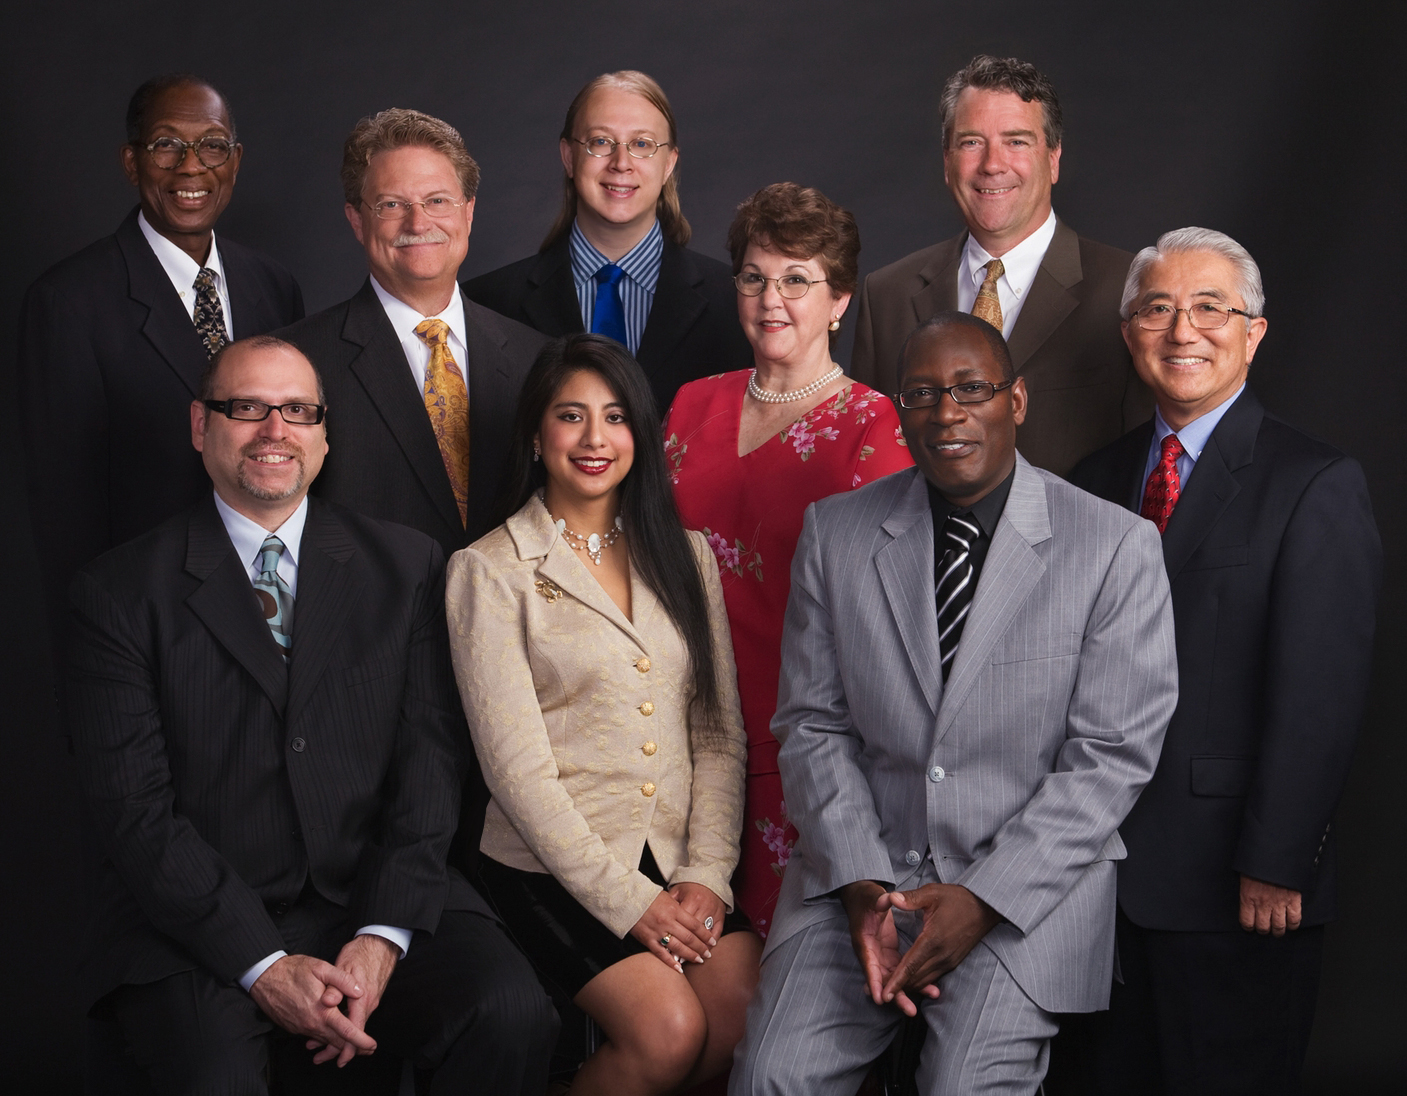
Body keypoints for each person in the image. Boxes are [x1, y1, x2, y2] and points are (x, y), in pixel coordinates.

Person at [66, 335, 557, 1094]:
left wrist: (380, 935)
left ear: (325, 435)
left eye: (297, 410)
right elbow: (136, 814)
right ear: (201, 426)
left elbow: (431, 766)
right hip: (200, 924)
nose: (274, 431)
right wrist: (262, 963)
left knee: (510, 1009)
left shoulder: (407, 565)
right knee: (213, 1076)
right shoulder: (119, 592)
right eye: (247, 408)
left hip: (368, 896)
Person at [731, 313, 1178, 1095]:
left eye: (971, 389)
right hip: (860, 880)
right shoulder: (836, 534)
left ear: (1017, 401)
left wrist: (983, 899)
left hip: (1020, 895)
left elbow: (1109, 759)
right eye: (922, 395)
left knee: (963, 1088)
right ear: (899, 411)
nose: (947, 413)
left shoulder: (1112, 546)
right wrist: (864, 883)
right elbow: (810, 725)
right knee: (772, 1077)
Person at [1062, 228, 1381, 1094]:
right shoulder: (1092, 480)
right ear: (1128, 333)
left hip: (1236, 883)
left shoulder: (1312, 482)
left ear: (1254, 332)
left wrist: (1278, 858)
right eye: (1157, 309)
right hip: (1095, 879)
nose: (1182, 330)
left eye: (1210, 307)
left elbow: (1319, 691)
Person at [447, 334, 755, 1095]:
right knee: (667, 1033)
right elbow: (516, 773)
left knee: (741, 1012)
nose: (594, 439)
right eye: (570, 416)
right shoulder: (487, 571)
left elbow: (717, 734)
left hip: (678, 854)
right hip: (551, 864)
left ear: (639, 435)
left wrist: (708, 877)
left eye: (615, 418)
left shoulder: (686, 556)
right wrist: (631, 902)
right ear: (535, 434)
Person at [664, 182, 912, 938]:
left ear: (838, 300)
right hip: (676, 741)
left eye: (797, 280)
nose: (771, 299)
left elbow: (882, 621)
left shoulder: (872, 425)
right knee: (677, 976)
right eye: (753, 277)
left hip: (797, 746)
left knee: (778, 989)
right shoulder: (689, 404)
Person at [19, 73, 303, 660]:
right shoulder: (68, 302)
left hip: (273, 615)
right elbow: (63, 511)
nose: (190, 166)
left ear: (235, 160)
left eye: (213, 145)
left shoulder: (274, 287)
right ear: (131, 161)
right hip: (150, 630)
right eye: (166, 144)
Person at [849, 55, 1147, 476]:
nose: (992, 164)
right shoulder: (887, 295)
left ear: (1054, 158)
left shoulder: (1129, 288)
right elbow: (869, 465)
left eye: (1017, 141)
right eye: (971, 142)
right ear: (947, 161)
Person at [281, 108, 546, 552]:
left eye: (437, 201)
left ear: (469, 213)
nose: (418, 223)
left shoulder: (535, 358)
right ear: (356, 220)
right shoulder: (299, 361)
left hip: (513, 618)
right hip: (370, 619)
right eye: (391, 205)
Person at [463, 70, 751, 413]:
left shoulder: (738, 303)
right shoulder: (485, 306)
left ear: (668, 164)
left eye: (642, 144)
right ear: (569, 157)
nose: (621, 163)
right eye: (601, 142)